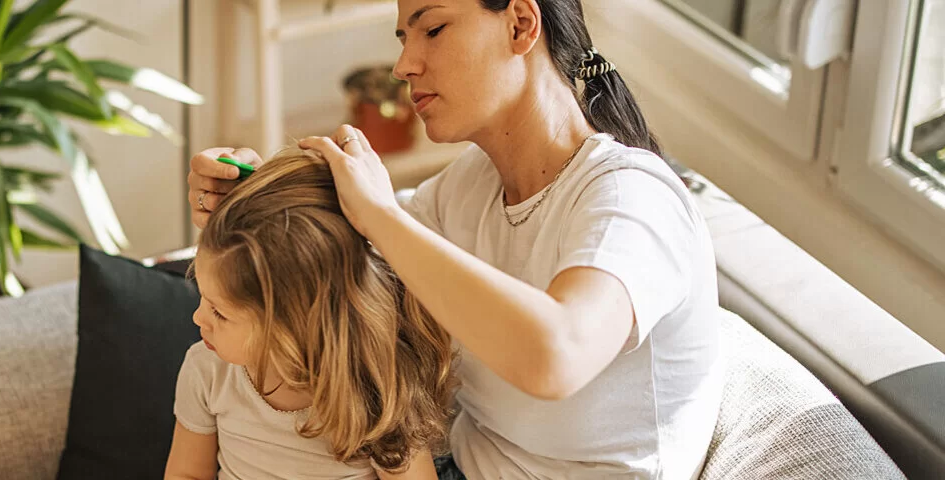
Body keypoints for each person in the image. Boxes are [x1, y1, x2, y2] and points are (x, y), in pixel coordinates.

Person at [186, 1, 725, 479]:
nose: (403, 66)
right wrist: (252, 213)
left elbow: (556, 356)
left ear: (520, 24)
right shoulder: (471, 185)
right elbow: (332, 279)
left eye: (434, 29)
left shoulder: (632, 197)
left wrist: (381, 214)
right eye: (403, 38)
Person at [165, 152, 458, 480]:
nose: (197, 318)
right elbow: (187, 473)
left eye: (219, 312)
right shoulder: (207, 370)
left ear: (295, 328)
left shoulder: (373, 392)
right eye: (203, 298)